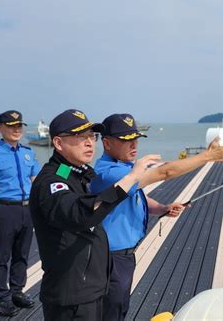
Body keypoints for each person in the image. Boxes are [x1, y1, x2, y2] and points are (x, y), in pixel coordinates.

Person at [90, 113, 223, 320]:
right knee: (111, 312)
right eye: (126, 140)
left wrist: (163, 208)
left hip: (123, 257)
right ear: (106, 143)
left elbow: (133, 196)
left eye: (135, 139)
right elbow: (164, 173)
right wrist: (207, 156)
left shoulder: (124, 168)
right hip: (111, 259)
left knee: (119, 308)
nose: (134, 144)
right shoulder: (109, 173)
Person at [29, 109, 161, 321]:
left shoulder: (72, 170)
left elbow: (72, 177)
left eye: (92, 136)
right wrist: (132, 177)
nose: (90, 142)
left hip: (93, 285)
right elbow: (78, 213)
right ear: (58, 143)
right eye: (81, 137)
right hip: (73, 294)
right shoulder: (50, 182)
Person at [0, 110, 40, 316]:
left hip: (26, 209)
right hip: (4, 210)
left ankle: (17, 291)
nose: (16, 129)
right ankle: (2, 297)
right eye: (11, 126)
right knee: (1, 256)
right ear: (0, 128)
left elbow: (36, 180)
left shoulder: (28, 152)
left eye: (19, 126)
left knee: (22, 254)